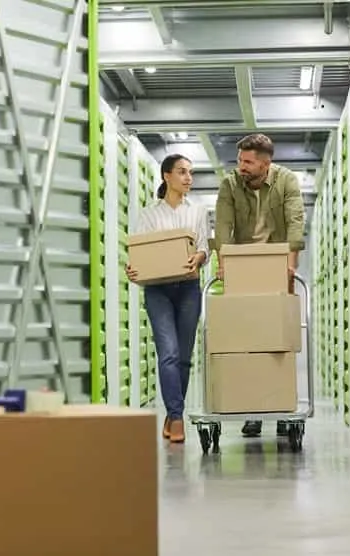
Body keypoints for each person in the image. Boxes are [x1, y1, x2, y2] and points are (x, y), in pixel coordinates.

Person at [214, 133, 306, 438]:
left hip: (276, 261)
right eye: (240, 159)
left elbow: (295, 221)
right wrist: (224, 264)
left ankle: (280, 406)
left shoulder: (287, 181)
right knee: (245, 341)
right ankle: (252, 409)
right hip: (243, 263)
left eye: (248, 161)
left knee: (279, 341)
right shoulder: (229, 185)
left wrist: (291, 263)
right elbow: (223, 226)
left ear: (266, 164)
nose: (241, 165)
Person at [126, 154, 209, 443]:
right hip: (158, 290)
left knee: (184, 358)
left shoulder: (197, 212)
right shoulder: (149, 214)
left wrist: (198, 258)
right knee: (169, 353)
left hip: (188, 288)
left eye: (191, 172)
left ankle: (174, 412)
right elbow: (140, 253)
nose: (188, 178)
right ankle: (176, 416)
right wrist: (133, 269)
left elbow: (202, 249)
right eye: (182, 172)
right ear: (166, 176)